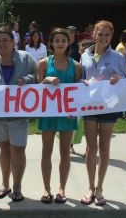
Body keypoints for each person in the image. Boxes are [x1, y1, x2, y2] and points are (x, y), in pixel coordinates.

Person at [0, 27, 37, 202]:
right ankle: (5, 184)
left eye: (5, 40)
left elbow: (37, 75)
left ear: (13, 41)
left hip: (19, 114)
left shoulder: (25, 58)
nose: (2, 43)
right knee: (4, 148)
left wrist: (27, 80)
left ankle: (17, 187)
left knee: (18, 150)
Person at [80, 20, 126, 206]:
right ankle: (90, 187)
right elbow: (80, 78)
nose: (103, 38)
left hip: (109, 106)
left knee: (104, 148)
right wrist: (82, 82)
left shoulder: (118, 57)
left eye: (107, 35)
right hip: (90, 106)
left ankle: (100, 188)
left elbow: (125, 80)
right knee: (91, 149)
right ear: (94, 35)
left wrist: (119, 77)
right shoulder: (84, 55)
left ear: (111, 36)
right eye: (100, 34)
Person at [38, 28, 81, 204]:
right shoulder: (43, 63)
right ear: (51, 43)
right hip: (48, 113)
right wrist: (46, 80)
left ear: (68, 42)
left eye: (63, 40)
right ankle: (46, 189)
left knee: (65, 153)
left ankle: (62, 188)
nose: (60, 43)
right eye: (57, 40)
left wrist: (75, 110)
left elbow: (78, 92)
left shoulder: (76, 65)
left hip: (67, 114)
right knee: (46, 151)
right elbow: (36, 89)